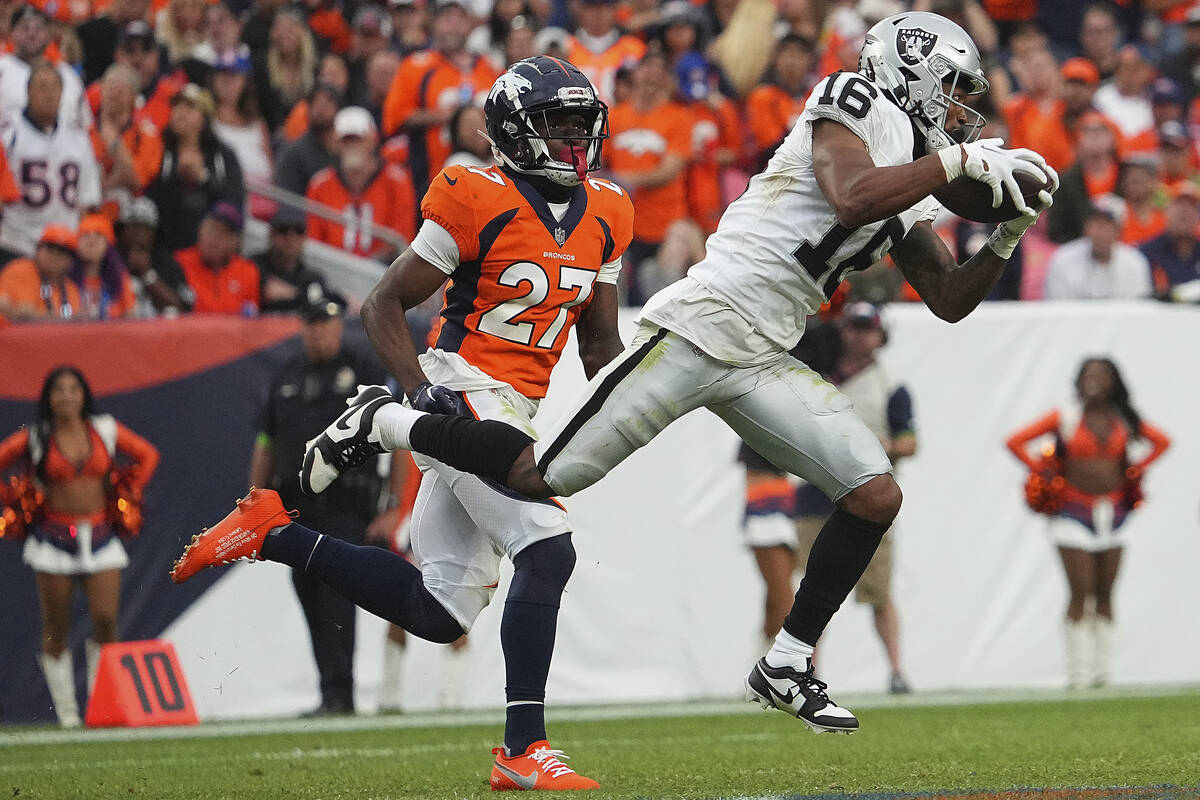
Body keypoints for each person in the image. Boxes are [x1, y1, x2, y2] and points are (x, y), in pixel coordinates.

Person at [301, 12, 1057, 734]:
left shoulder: (910, 172)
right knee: (538, 478)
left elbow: (950, 300)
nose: (964, 113)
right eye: (956, 91)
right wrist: (956, 163)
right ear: (914, 74)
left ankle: (788, 662)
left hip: (763, 352)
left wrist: (1009, 234)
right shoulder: (850, 99)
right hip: (700, 326)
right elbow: (851, 196)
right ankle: (383, 421)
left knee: (874, 493)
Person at [173, 55, 629, 790]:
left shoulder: (610, 209)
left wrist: (662, 384)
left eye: (583, 124)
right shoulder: (474, 191)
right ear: (514, 131)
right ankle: (523, 748)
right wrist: (417, 392)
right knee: (548, 547)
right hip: (459, 384)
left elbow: (602, 344)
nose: (576, 140)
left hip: (515, 405)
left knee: (441, 610)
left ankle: (271, 532)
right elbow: (381, 302)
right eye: (558, 124)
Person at [247, 293, 389, 715]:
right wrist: (255, 502)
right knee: (308, 594)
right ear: (302, 326)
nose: (318, 331)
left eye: (325, 322)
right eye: (310, 323)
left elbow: (397, 438)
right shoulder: (287, 374)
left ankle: (341, 692)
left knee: (337, 597)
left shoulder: (362, 368)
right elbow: (265, 441)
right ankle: (330, 690)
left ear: (337, 324)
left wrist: (393, 504)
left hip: (347, 504)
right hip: (295, 509)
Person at [0, 366, 159, 726]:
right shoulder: (37, 435)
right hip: (52, 539)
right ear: (48, 398)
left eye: (74, 389)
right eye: (59, 390)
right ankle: (69, 715)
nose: (67, 396)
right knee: (56, 627)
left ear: (84, 394)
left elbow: (148, 455)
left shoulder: (104, 428)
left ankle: (100, 709)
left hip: (101, 537)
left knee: (105, 621)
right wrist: (15, 500)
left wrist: (128, 490)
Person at [1005, 357, 1169, 688]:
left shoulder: (1123, 418)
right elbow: (1015, 441)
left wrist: (1136, 469)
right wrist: (1044, 471)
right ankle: (1078, 673)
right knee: (1080, 591)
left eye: (1101, 374)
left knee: (1106, 592)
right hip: (1071, 512)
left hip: (1115, 513)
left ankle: (1103, 672)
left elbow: (1162, 442)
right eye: (1087, 374)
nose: (1093, 379)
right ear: (1077, 381)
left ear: (1114, 381)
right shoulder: (1065, 417)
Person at [791, 303, 916, 694]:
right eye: (854, 328)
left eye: (867, 329)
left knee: (879, 590)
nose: (859, 336)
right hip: (816, 493)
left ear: (880, 335)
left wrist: (885, 444)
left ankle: (896, 670)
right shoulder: (819, 374)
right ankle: (803, 670)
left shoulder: (888, 384)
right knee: (812, 592)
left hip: (867, 495)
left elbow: (910, 442)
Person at [381, 0, 498, 192]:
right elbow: (395, 117)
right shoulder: (416, 66)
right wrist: (448, 116)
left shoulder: (490, 67)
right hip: (431, 177)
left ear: (470, 24)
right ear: (433, 22)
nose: (452, 25)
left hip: (489, 175)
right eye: (446, 18)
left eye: (459, 18)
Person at [0, 62, 102, 260]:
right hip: (16, 242)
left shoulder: (78, 138)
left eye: (55, 87)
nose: (49, 94)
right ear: (28, 92)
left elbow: (86, 199)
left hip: (62, 244)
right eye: (42, 86)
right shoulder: (8, 135)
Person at [305, 107, 417, 261]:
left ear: (373, 139)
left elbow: (403, 239)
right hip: (332, 273)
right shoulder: (319, 186)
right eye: (346, 140)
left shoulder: (396, 181)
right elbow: (315, 242)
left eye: (358, 139)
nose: (352, 146)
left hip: (385, 272)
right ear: (336, 144)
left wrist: (366, 267)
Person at [146, 83, 245, 252]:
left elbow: (234, 200)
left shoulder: (223, 156)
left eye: (190, 107)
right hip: (165, 243)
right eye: (176, 107)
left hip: (211, 248)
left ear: (205, 117)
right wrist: (177, 180)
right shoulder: (158, 148)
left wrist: (203, 179)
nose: (180, 113)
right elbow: (148, 197)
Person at [0, 7, 91, 132]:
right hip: (14, 149)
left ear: (48, 34)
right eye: (24, 27)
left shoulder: (67, 73)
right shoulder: (2, 68)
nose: (31, 34)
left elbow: (85, 125)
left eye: (38, 28)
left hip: (64, 148)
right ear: (11, 32)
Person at [1042, 204, 1152, 300]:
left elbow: (1138, 311)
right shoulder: (1063, 260)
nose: (1100, 232)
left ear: (1119, 230)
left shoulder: (1135, 263)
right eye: (1096, 224)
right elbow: (1056, 311)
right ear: (1086, 228)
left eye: (1107, 225)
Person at [173, 201, 260, 314]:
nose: (214, 239)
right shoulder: (179, 262)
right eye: (211, 229)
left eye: (224, 233)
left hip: (232, 331)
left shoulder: (248, 271)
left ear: (236, 242)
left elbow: (251, 318)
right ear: (200, 230)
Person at [114, 195, 195, 316]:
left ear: (154, 232)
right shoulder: (109, 260)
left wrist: (147, 274)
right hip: (116, 329)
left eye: (144, 228)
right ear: (121, 230)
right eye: (132, 227)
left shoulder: (167, 263)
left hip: (159, 332)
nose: (138, 233)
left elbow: (183, 307)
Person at [253, 205, 327, 314]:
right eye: (283, 230)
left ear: (305, 237)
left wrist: (293, 293)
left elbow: (318, 301)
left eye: (298, 231)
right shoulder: (254, 267)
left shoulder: (312, 277)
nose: (291, 238)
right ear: (271, 234)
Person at [0, 225, 82, 322]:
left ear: (71, 261)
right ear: (38, 250)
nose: (54, 256)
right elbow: (5, 307)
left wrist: (37, 316)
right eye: (50, 249)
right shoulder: (20, 269)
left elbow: (75, 324)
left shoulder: (71, 289)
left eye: (62, 252)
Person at [70, 213, 137, 319]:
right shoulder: (64, 277)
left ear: (108, 245)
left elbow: (130, 315)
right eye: (85, 235)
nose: (91, 241)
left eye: (98, 235)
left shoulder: (120, 277)